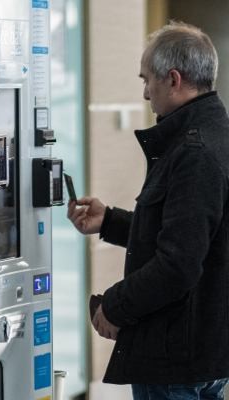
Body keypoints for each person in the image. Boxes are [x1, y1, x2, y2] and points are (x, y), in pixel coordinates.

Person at [68, 21, 229, 400]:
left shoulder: (195, 153)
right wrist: (110, 221)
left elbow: (178, 264)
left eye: (147, 81)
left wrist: (114, 307)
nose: (144, 94)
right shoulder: (214, 137)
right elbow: (189, 236)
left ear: (173, 79)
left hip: (177, 364)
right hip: (200, 356)